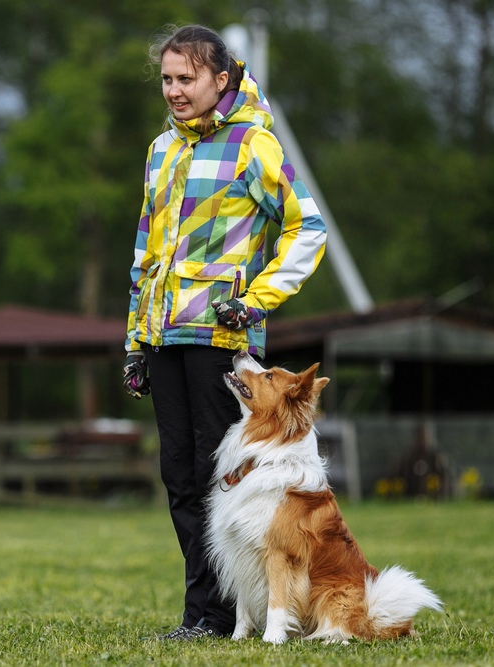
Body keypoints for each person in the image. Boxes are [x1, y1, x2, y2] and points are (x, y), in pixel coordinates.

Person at [123, 24, 327, 641]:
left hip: (221, 341)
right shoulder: (161, 149)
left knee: (224, 481)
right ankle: (202, 613)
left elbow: (308, 228)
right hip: (164, 338)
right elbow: (145, 252)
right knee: (180, 478)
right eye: (167, 79)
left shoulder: (253, 144)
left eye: (188, 78)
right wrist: (135, 341)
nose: (176, 90)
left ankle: (228, 616)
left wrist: (256, 299)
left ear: (221, 77)